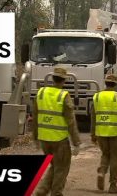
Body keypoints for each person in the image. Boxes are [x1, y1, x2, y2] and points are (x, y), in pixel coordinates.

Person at [33, 67, 81, 196]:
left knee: (54, 166)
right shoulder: (63, 96)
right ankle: (56, 193)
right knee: (62, 168)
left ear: (53, 78)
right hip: (59, 141)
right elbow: (71, 122)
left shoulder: (41, 93)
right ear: (64, 81)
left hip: (44, 139)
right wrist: (76, 143)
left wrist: (35, 138)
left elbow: (35, 117)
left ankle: (41, 192)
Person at [91, 74, 117, 194]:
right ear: (115, 84)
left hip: (101, 133)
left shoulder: (97, 96)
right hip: (115, 133)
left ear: (106, 83)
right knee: (115, 158)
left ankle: (102, 171)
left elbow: (93, 117)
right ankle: (113, 185)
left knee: (105, 154)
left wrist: (93, 134)